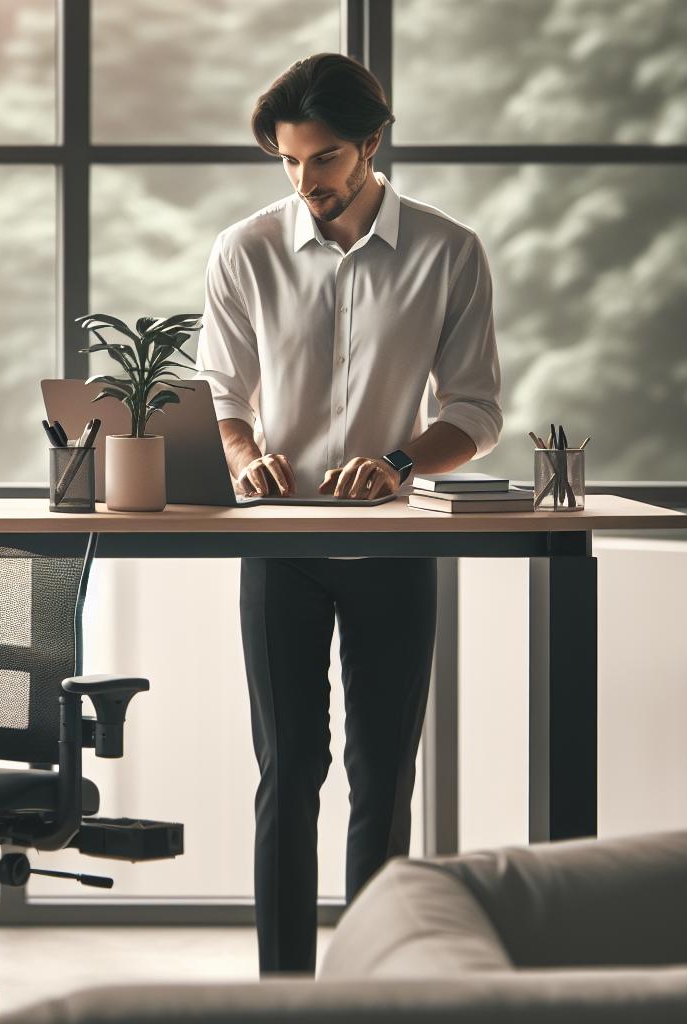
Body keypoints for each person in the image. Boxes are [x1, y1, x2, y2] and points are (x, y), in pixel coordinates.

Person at [196, 53, 503, 974]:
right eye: (290, 162)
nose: (306, 182)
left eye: (324, 160)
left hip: (394, 546)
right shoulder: (243, 251)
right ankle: (284, 988)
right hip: (279, 543)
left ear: (372, 144)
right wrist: (246, 457)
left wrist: (400, 464)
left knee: (382, 782)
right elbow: (219, 396)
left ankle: (374, 987)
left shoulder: (449, 252)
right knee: (287, 778)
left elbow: (478, 411)